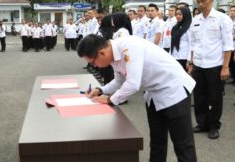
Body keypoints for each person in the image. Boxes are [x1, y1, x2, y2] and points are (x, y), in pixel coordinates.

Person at [77, 34, 197, 162]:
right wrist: (101, 90)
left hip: (174, 90)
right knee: (157, 141)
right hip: (154, 93)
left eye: (92, 62)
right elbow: (119, 80)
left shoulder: (129, 47)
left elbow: (133, 84)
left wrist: (109, 99)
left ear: (101, 53)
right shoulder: (112, 54)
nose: (94, 66)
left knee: (183, 145)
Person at [188, 0, 233, 139]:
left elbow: (228, 45)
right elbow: (193, 44)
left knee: (215, 97)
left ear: (212, 0)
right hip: (199, 64)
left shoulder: (222, 19)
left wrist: (225, 66)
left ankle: (214, 125)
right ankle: (202, 123)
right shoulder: (196, 20)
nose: (200, 4)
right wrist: (191, 63)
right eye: (198, 1)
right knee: (199, 96)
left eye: (203, 1)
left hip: (215, 65)